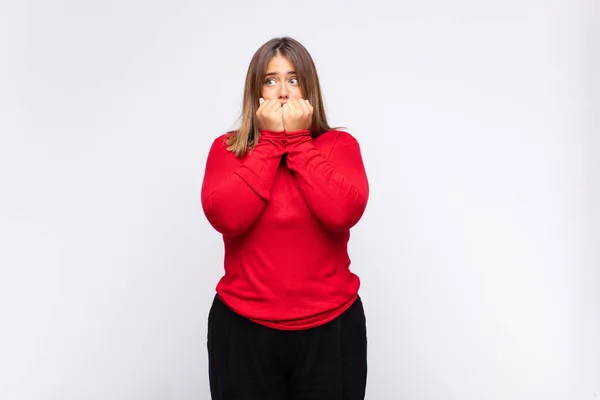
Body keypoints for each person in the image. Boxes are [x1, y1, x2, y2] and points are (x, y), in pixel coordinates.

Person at [200, 36, 370, 399]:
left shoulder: (339, 147)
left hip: (331, 329)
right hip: (243, 330)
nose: (282, 93)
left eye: (293, 80)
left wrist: (297, 142)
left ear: (308, 89)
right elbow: (228, 218)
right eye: (271, 80)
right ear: (256, 91)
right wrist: (271, 144)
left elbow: (342, 212)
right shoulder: (228, 149)